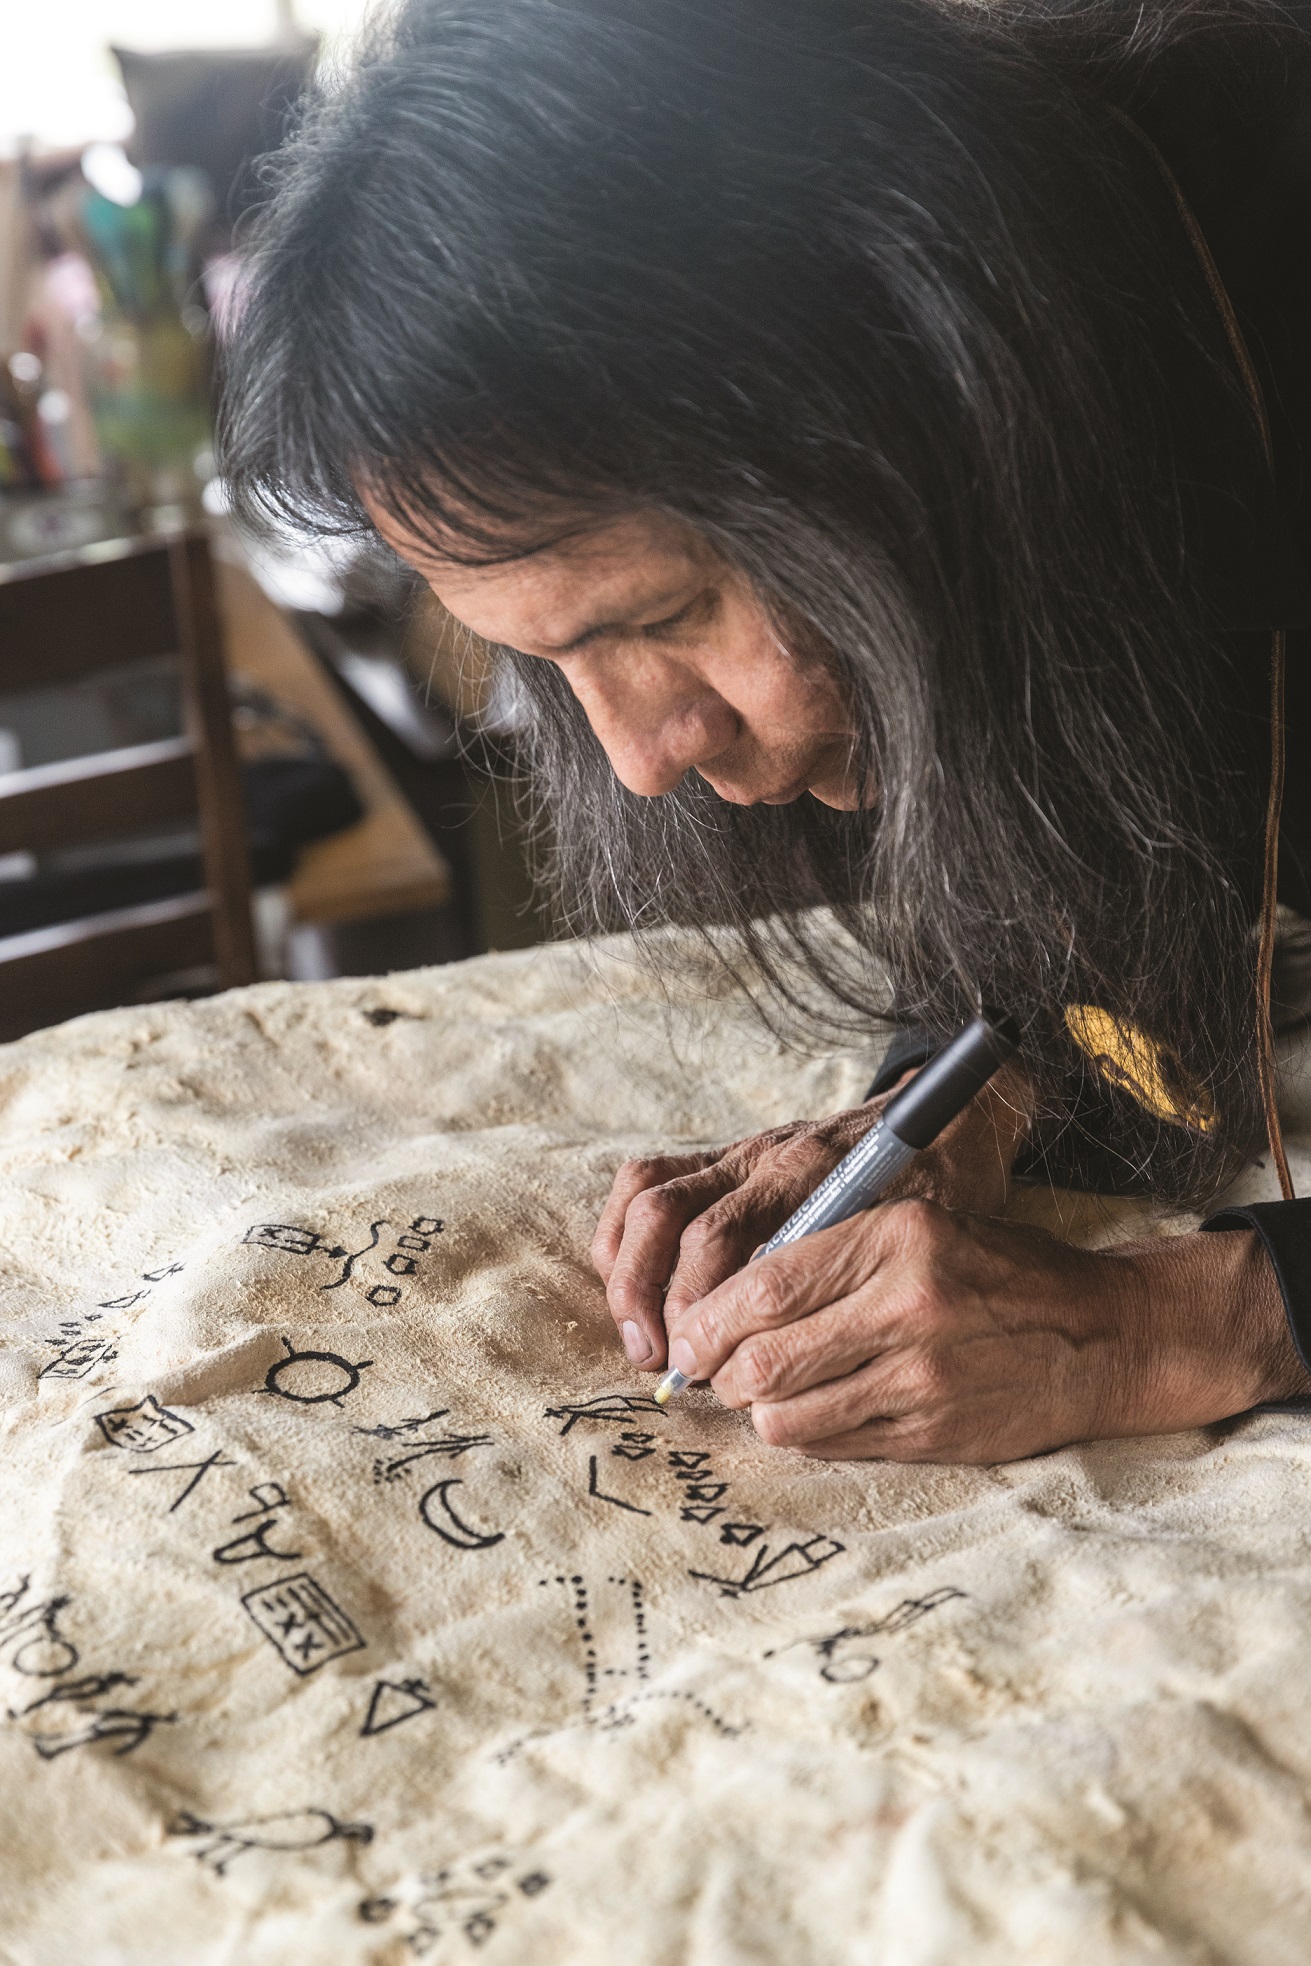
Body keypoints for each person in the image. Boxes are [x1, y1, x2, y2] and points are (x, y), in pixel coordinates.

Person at [222, 0, 1311, 1462]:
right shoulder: (1059, 464)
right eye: (551, 661)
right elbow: (1136, 803)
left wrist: (1180, 1320)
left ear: (914, 399)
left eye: (659, 616)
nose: (641, 756)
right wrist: (957, 1112)